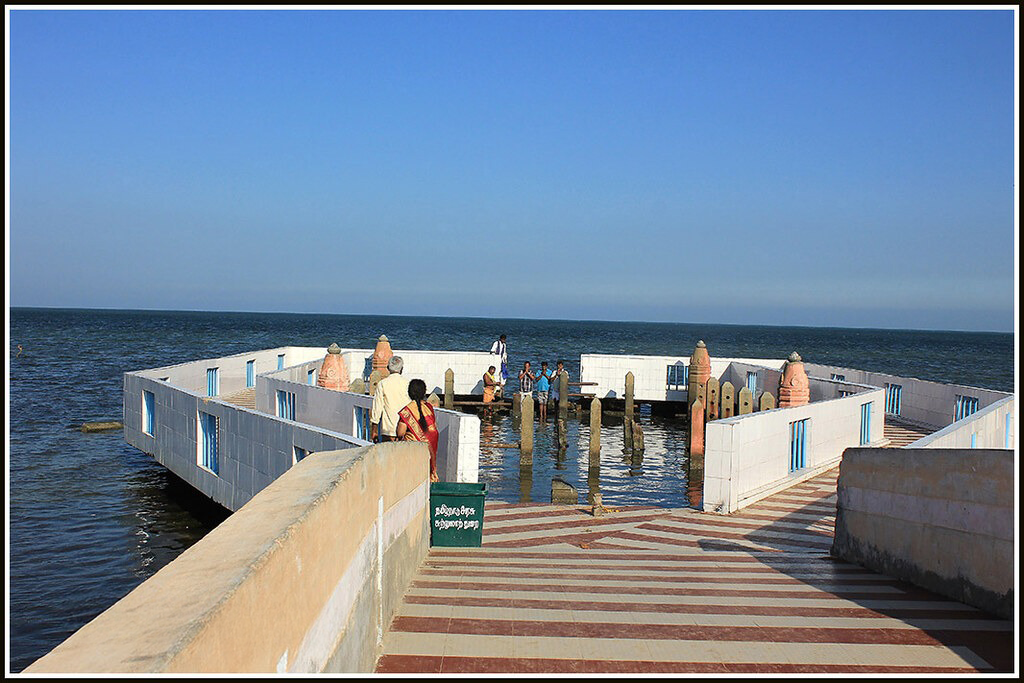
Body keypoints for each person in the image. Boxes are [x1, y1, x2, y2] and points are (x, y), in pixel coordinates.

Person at [396, 379, 440, 482]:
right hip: (429, 450)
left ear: (409, 393)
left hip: (413, 452)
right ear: (424, 393)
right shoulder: (429, 407)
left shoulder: (407, 411)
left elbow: (400, 433)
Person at [371, 356, 409, 442]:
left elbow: (377, 407)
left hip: (388, 430)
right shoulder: (408, 384)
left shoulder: (383, 384)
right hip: (405, 429)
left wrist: (374, 429)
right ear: (402, 369)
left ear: (388, 368)